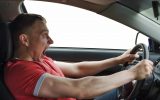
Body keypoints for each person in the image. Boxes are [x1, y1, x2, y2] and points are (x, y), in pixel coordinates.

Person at [4, 13, 153, 100]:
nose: (51, 41)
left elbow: (78, 68)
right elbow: (79, 88)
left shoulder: (40, 60)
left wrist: (119, 60)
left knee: (124, 89)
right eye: (44, 35)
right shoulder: (21, 72)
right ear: (25, 40)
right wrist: (132, 73)